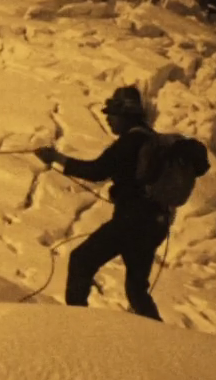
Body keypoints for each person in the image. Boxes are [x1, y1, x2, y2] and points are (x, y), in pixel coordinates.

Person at [35, 85, 173, 322]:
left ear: (125, 114)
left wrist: (57, 158)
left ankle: (76, 324)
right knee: (137, 290)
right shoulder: (152, 140)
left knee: (81, 260)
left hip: (131, 221)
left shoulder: (130, 142)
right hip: (154, 224)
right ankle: (164, 341)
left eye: (111, 114)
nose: (107, 119)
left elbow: (97, 170)